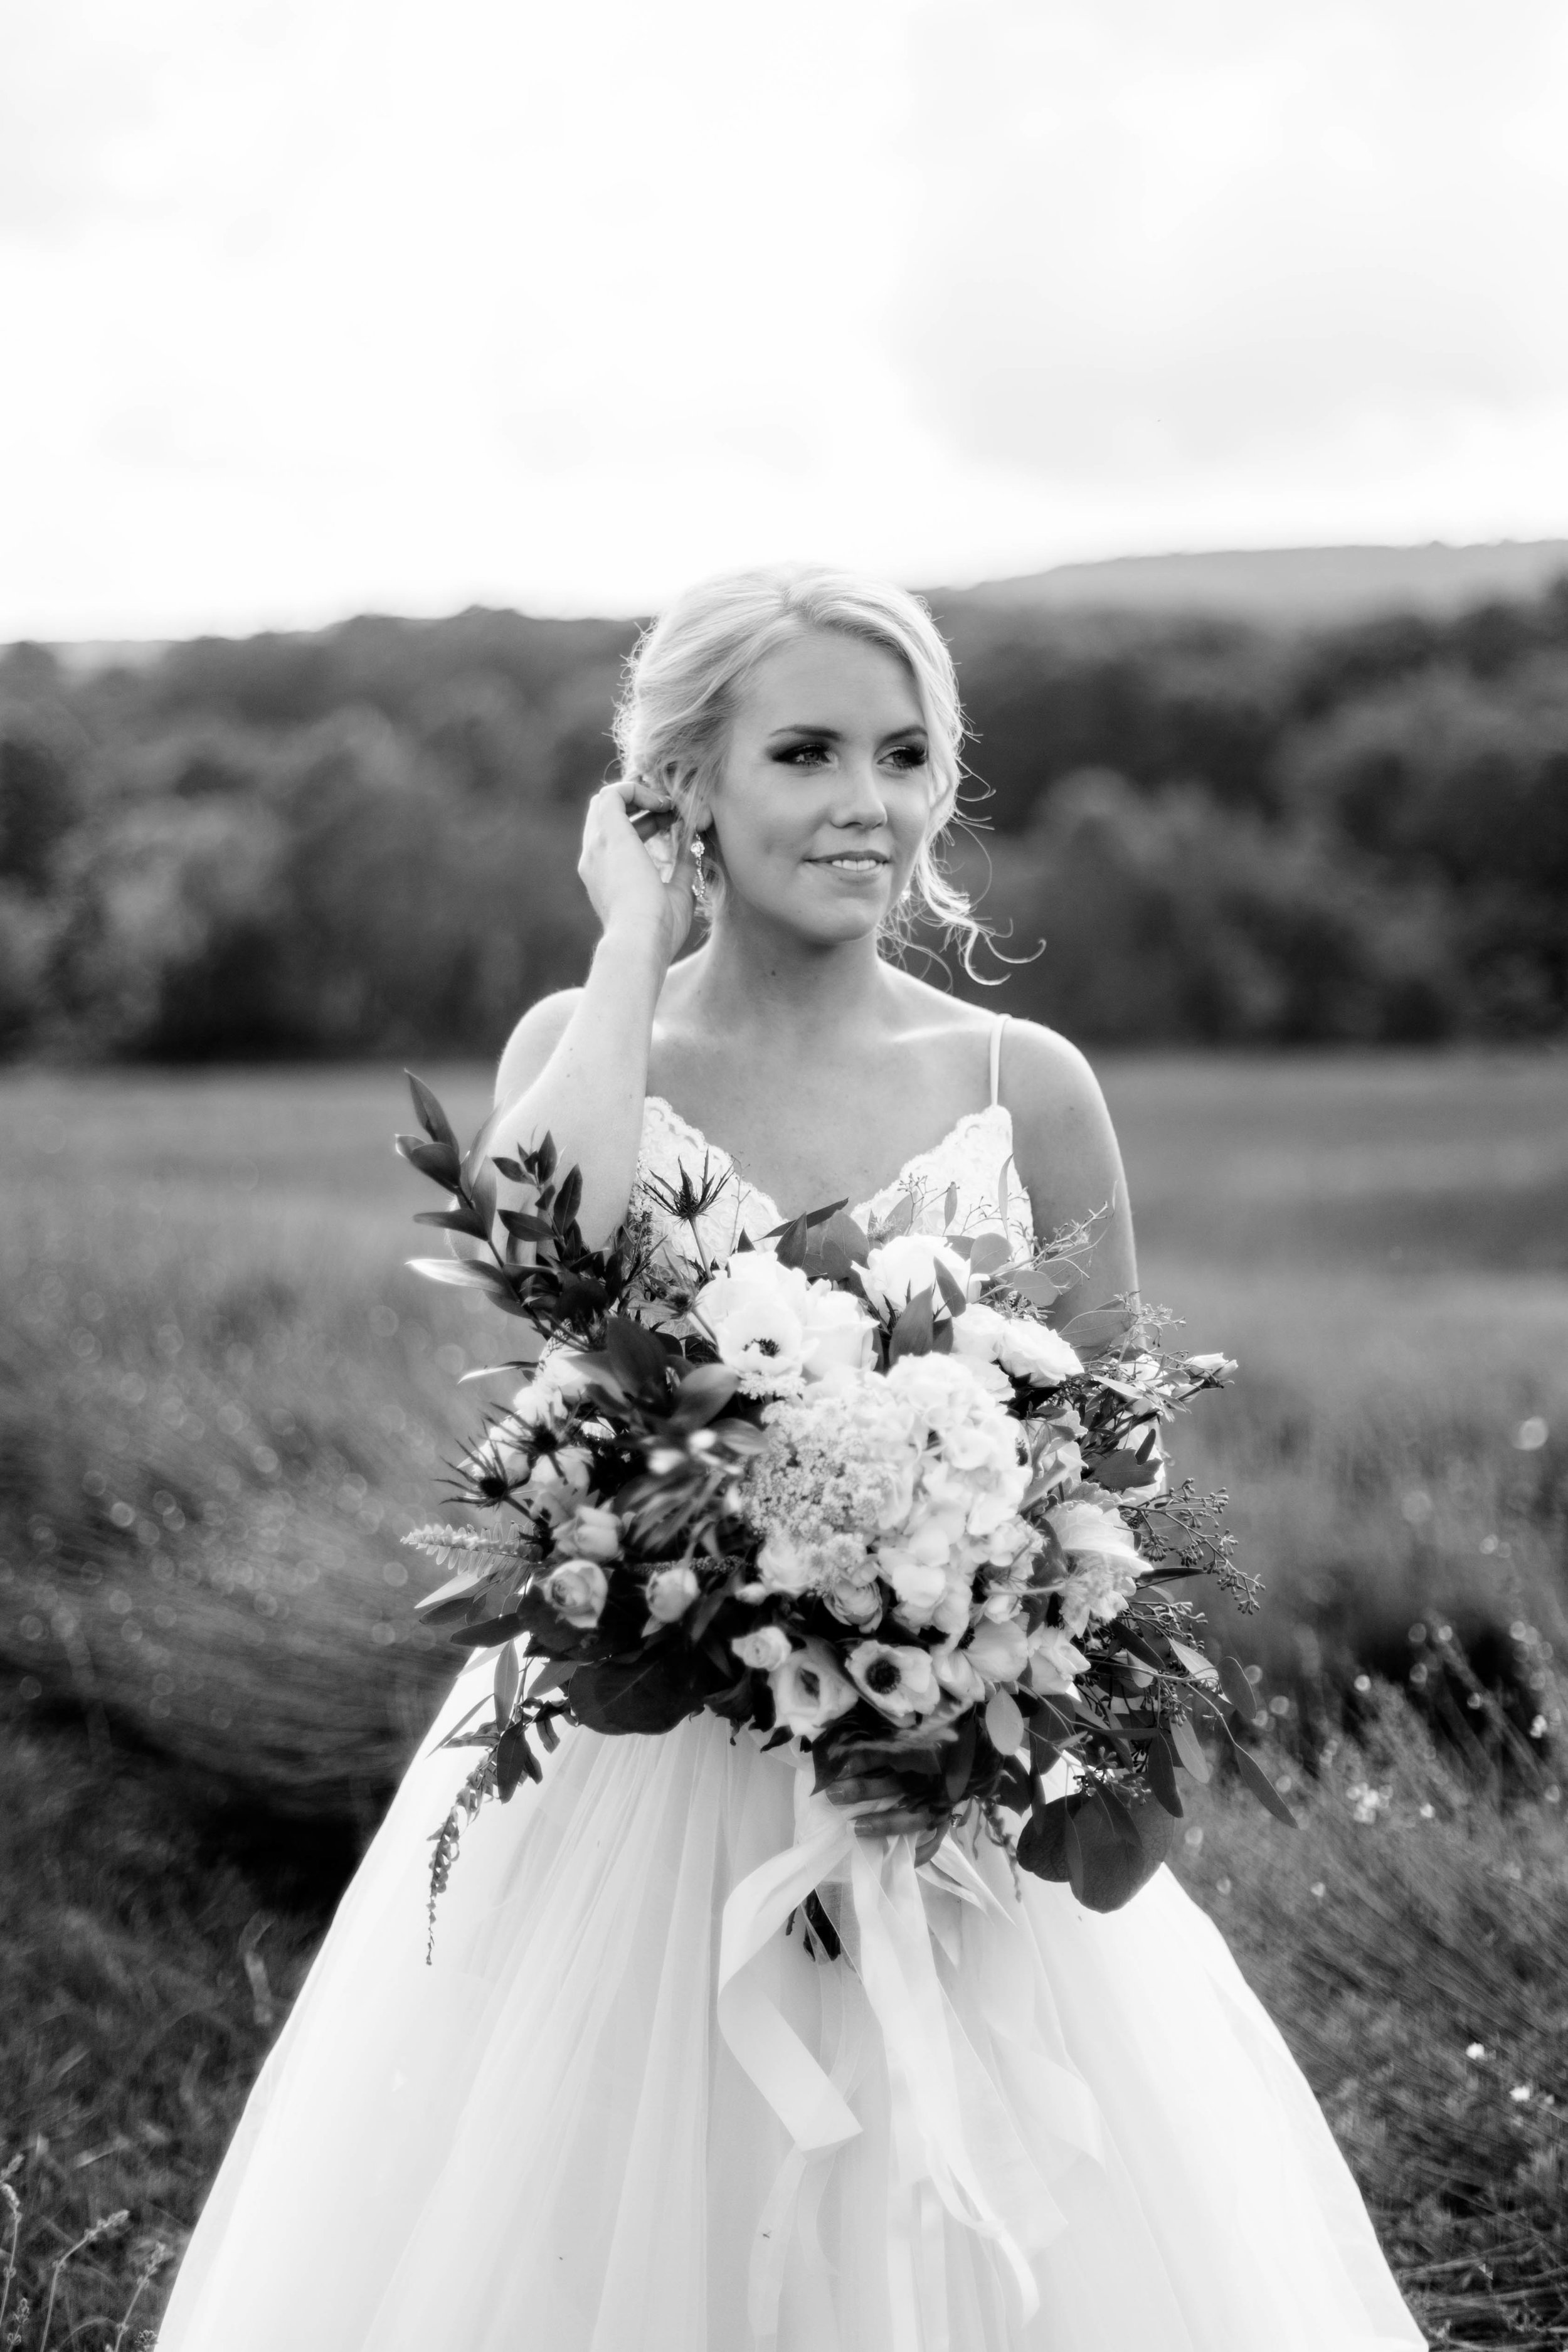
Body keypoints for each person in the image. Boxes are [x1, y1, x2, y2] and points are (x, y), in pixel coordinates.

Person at [156, 565, 1425, 2351]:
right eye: (807, 751)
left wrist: (1117, 1750)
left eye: (905, 755)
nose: (868, 803)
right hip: (639, 1784)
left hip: (946, 1771)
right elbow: (548, 1266)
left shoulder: (1021, 1079)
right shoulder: (584, 1050)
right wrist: (622, 943)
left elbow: (1120, 1457)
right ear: (684, 786)